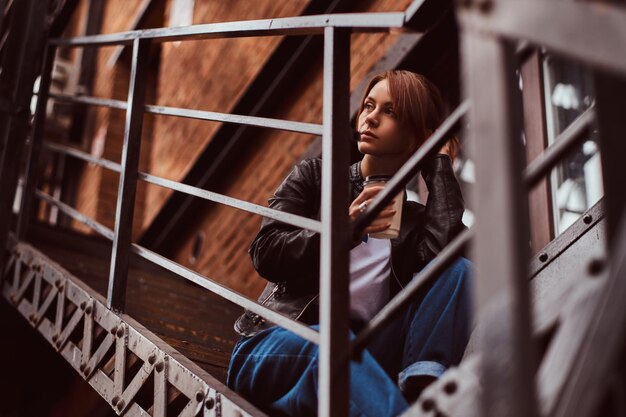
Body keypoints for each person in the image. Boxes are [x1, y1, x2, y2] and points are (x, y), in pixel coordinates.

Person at [227, 70, 472, 417]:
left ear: (418, 136)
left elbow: (441, 264)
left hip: (362, 357)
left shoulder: (414, 220)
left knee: (459, 270)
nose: (370, 116)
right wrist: (345, 228)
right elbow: (266, 252)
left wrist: (440, 167)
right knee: (334, 348)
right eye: (369, 105)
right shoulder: (315, 177)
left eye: (390, 112)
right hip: (276, 342)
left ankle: (422, 387)